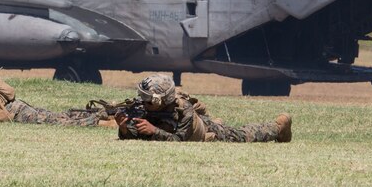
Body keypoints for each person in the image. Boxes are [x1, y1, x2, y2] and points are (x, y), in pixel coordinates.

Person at [115, 74, 292, 143]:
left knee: (242, 135)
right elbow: (138, 135)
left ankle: (278, 127)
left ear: (162, 100)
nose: (143, 104)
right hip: (195, 126)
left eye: (148, 101)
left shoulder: (184, 110)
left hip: (203, 131)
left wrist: (154, 130)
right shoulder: (149, 109)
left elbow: (179, 141)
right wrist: (124, 129)